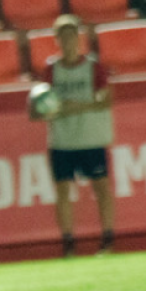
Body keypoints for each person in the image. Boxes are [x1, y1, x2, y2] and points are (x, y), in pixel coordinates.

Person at [32, 14, 115, 258]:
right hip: (62, 139)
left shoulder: (93, 67)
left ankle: (108, 239)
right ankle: (68, 243)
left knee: (101, 187)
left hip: (91, 136)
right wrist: (59, 108)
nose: (68, 40)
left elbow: (106, 99)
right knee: (63, 190)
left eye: (72, 35)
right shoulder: (51, 69)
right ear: (57, 40)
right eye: (63, 36)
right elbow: (41, 106)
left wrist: (72, 106)